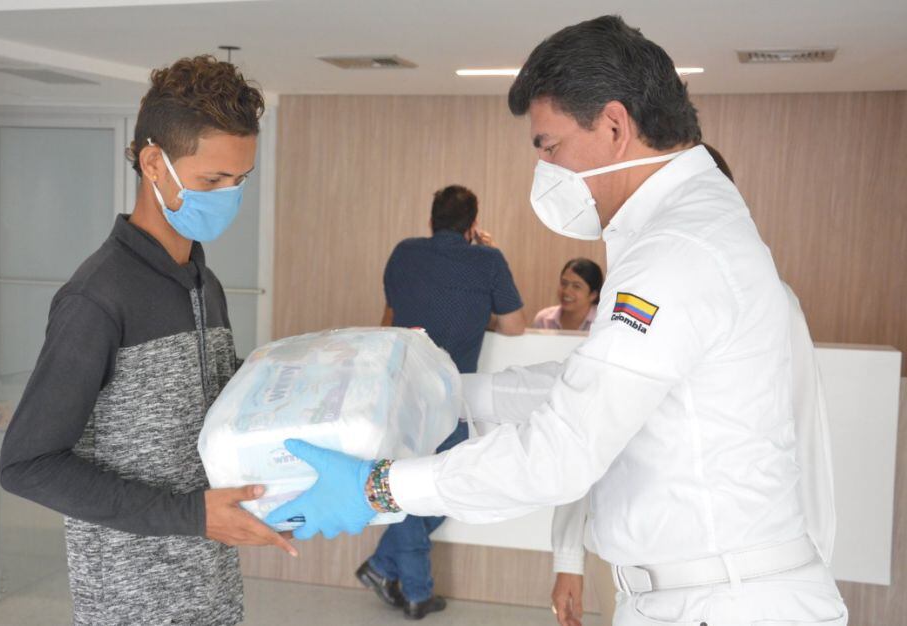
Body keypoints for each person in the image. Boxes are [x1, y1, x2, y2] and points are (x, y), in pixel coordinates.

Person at [266, 16, 847, 626]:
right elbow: (589, 387)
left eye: (550, 145)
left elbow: (561, 452)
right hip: (703, 595)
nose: (546, 169)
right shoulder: (687, 231)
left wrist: (378, 487)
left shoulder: (678, 249)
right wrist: (445, 390)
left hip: (721, 604)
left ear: (615, 126)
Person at [0, 56, 294, 626]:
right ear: (155, 163)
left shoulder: (204, 283)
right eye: (213, 180)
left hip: (212, 590)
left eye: (240, 180)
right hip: (129, 605)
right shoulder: (96, 298)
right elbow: (27, 464)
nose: (230, 196)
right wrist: (191, 516)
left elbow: (215, 423)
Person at [548, 142, 736, 626]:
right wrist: (569, 558)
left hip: (733, 583)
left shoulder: (767, 309)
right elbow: (585, 431)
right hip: (639, 576)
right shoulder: (637, 300)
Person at [360, 184, 524, 619]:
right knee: (443, 485)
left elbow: (388, 319)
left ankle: (383, 566)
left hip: (401, 388)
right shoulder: (489, 261)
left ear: (431, 220)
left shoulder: (404, 252)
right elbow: (514, 327)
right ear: (472, 225)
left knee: (424, 485)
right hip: (451, 394)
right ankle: (415, 590)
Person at [532, 258, 603, 331]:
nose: (566, 291)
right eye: (564, 283)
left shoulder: (604, 321)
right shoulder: (543, 320)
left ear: (593, 295)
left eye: (576, 286)